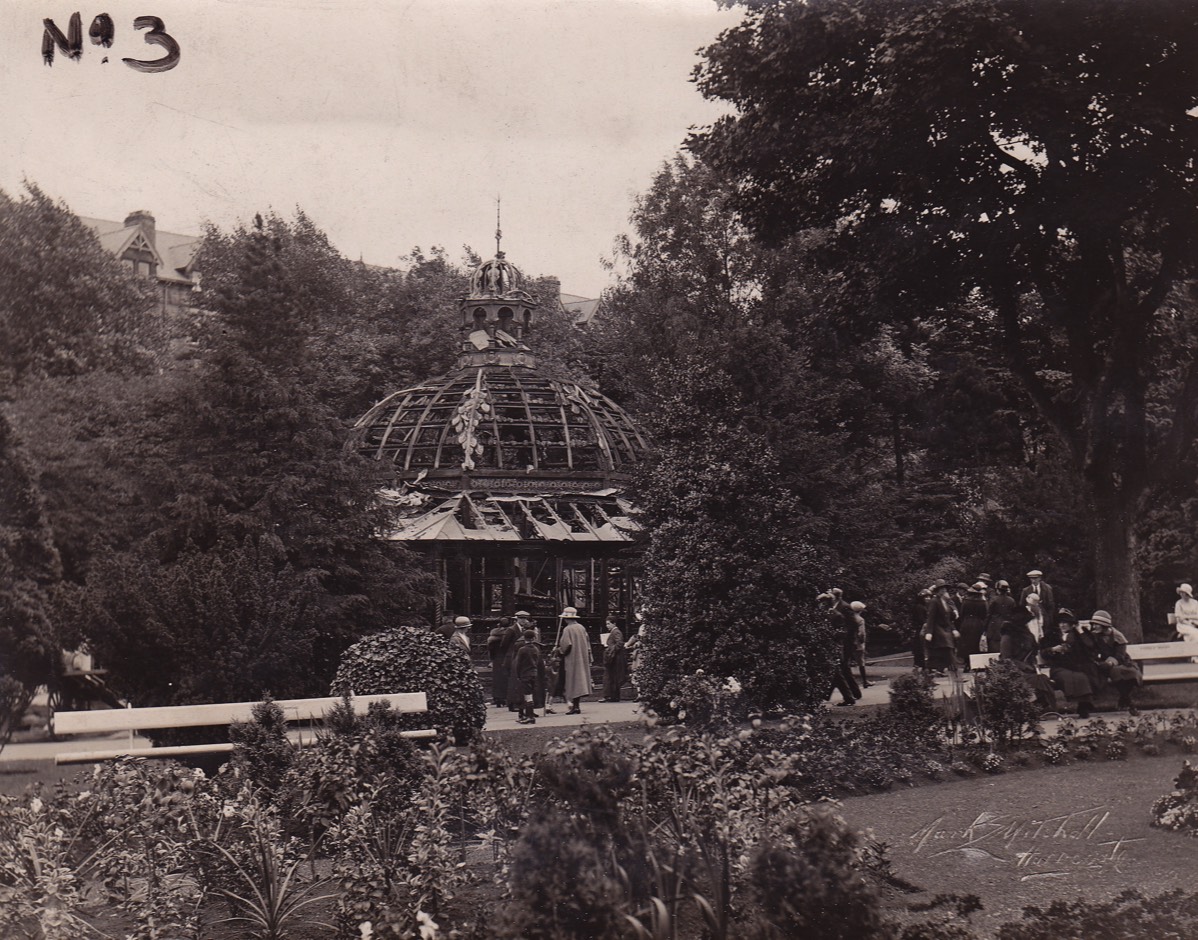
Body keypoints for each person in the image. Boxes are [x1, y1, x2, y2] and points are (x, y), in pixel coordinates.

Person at [1045, 609, 1141, 717]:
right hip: (1099, 664)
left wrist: (1109, 663)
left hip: (1119, 662)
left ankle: (1126, 700)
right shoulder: (1093, 634)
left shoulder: (1117, 636)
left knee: (1118, 673)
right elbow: (1089, 647)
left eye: (1097, 624)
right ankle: (1085, 706)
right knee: (1089, 672)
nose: (1094, 627)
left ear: (1104, 625)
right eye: (1093, 624)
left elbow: (1119, 655)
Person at [998, 612, 1058, 712]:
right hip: (1011, 671)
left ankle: (1042, 707)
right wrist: (1023, 666)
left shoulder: (1026, 635)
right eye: (1025, 622)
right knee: (1037, 680)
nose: (1027, 625)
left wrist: (1034, 667)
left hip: (1027, 670)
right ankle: (1040, 707)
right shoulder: (1007, 637)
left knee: (1042, 679)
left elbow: (1032, 654)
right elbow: (1006, 659)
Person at [820, 591, 860, 705]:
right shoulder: (827, 614)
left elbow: (843, 631)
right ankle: (844, 697)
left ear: (826, 603)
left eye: (821, 602)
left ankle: (848, 697)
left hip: (835, 647)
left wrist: (830, 637)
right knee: (836, 672)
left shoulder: (836, 615)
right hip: (831, 647)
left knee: (837, 672)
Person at [556, 607, 593, 714]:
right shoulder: (582, 628)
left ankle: (574, 706)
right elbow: (588, 643)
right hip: (581, 657)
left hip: (571, 658)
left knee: (571, 681)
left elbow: (566, 645)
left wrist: (559, 650)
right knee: (578, 681)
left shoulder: (567, 629)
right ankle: (576, 705)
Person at [923, 580, 960, 675]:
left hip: (946, 630)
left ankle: (937, 670)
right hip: (938, 630)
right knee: (948, 649)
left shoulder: (946, 601)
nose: (944, 590)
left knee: (943, 651)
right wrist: (929, 632)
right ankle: (956, 673)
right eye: (941, 589)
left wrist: (954, 629)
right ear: (938, 591)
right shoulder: (934, 601)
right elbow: (931, 617)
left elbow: (948, 618)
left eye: (945, 588)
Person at [512, 629, 544, 724]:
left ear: (524, 638)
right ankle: (530, 715)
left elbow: (518, 664)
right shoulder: (536, 649)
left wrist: (518, 675)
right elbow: (538, 661)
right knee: (530, 694)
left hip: (524, 674)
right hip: (534, 673)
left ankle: (530, 717)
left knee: (527, 695)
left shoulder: (522, 650)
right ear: (534, 638)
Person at [956, 583, 989, 660]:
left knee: (966, 643)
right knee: (976, 643)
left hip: (967, 622)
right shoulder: (983, 602)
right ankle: (976, 662)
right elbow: (985, 614)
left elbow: (962, 613)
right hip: (978, 624)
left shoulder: (966, 601)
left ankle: (967, 661)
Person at [984, 580, 1018, 653]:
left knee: (993, 649)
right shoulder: (1011, 600)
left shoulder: (994, 599)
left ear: (998, 590)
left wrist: (985, 628)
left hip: (994, 627)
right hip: (1007, 627)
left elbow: (988, 614)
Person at [601, 620, 628, 702]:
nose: (607, 626)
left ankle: (613, 696)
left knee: (613, 676)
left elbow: (619, 643)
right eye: (606, 624)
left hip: (615, 658)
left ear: (614, 623)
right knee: (612, 676)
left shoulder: (616, 632)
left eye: (609, 624)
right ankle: (613, 696)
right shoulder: (614, 632)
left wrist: (611, 650)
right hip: (614, 657)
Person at [487, 618, 510, 706]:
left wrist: (492, 659)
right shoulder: (509, 634)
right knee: (506, 678)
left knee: (497, 679)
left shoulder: (493, 636)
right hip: (506, 658)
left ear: (498, 625)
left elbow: (490, 649)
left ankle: (497, 698)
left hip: (497, 658)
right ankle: (505, 697)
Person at [849, 601, 870, 689]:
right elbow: (861, 633)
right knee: (861, 662)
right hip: (858, 643)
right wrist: (862, 642)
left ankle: (851, 682)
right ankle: (864, 681)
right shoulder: (860, 619)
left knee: (848, 662)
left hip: (849, 642)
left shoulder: (849, 618)